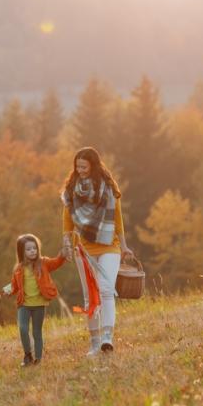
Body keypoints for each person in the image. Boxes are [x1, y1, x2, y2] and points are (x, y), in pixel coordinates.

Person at [61, 147, 134, 356]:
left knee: (106, 290)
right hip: (83, 249)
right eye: (77, 167)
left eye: (84, 166)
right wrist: (66, 243)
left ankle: (107, 338)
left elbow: (117, 217)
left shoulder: (108, 186)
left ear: (93, 165)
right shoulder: (71, 188)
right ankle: (94, 343)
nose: (80, 170)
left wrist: (124, 244)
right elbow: (67, 220)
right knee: (89, 297)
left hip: (109, 246)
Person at [2, 234, 66, 366]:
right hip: (24, 304)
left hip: (39, 304)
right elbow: (15, 285)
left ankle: (38, 358)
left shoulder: (43, 263)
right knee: (23, 328)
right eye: (28, 249)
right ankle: (27, 355)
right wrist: (9, 291)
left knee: (37, 331)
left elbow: (56, 263)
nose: (32, 251)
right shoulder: (19, 269)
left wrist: (62, 256)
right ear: (21, 252)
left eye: (34, 248)